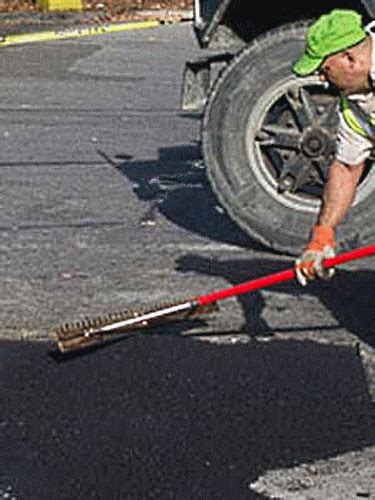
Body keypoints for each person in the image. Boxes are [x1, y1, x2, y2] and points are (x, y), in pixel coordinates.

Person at [293, 9, 374, 286]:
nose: (320, 79)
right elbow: (348, 167)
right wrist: (322, 235)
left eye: (324, 69)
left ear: (349, 59)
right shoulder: (354, 103)